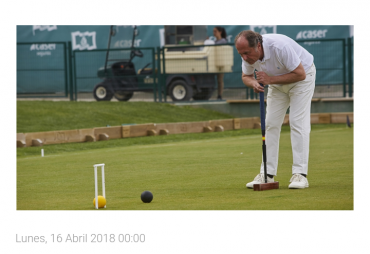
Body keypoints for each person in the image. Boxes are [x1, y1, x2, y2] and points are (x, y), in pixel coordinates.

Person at [234, 30, 316, 189]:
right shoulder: (247, 56)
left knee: (297, 122)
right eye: (240, 54)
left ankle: (300, 175)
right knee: (270, 124)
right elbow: (246, 76)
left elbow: (300, 74)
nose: (244, 58)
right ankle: (267, 174)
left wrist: (269, 80)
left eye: (247, 53)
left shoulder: (280, 47)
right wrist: (254, 84)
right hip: (277, 85)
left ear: (258, 46)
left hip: (302, 80)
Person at [213, 26, 228, 100]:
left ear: (220, 32)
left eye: (215, 31)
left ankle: (219, 95)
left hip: (220, 62)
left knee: (220, 80)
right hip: (213, 62)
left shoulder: (223, 41)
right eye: (213, 31)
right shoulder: (215, 42)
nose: (214, 33)